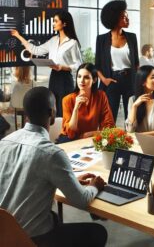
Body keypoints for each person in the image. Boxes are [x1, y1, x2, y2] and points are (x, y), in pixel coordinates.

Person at [0, 87, 107, 247]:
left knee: (55, 219)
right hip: (32, 239)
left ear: (26, 112)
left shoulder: (5, 142)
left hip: (5, 234)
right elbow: (81, 200)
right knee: (97, 233)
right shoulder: (52, 153)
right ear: (52, 113)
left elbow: (23, 178)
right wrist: (94, 186)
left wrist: (69, 179)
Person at [11, 10, 82, 117]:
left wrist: (63, 67)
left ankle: (65, 133)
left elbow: (79, 65)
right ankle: (56, 132)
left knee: (64, 109)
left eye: (56, 21)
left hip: (65, 79)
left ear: (64, 24)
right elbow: (36, 50)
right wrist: (18, 36)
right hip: (54, 77)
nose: (53, 23)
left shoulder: (72, 43)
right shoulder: (53, 40)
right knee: (53, 107)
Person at [95, 0, 139, 122]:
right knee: (109, 116)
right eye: (124, 17)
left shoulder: (132, 37)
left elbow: (136, 63)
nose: (127, 19)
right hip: (111, 80)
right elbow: (97, 65)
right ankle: (110, 140)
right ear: (114, 18)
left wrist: (138, 80)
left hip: (129, 79)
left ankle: (130, 139)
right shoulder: (102, 39)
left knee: (131, 115)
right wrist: (104, 80)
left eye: (127, 16)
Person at [57, 63, 114, 143]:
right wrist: (76, 108)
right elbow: (70, 133)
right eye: (79, 76)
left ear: (94, 80)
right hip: (69, 140)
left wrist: (92, 134)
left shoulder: (101, 96)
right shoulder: (67, 100)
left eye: (86, 77)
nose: (81, 81)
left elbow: (109, 126)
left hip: (90, 139)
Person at [125, 65, 154, 135]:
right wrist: (134, 106)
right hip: (138, 143)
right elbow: (130, 130)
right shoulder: (133, 100)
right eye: (153, 77)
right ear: (143, 82)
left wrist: (142, 136)